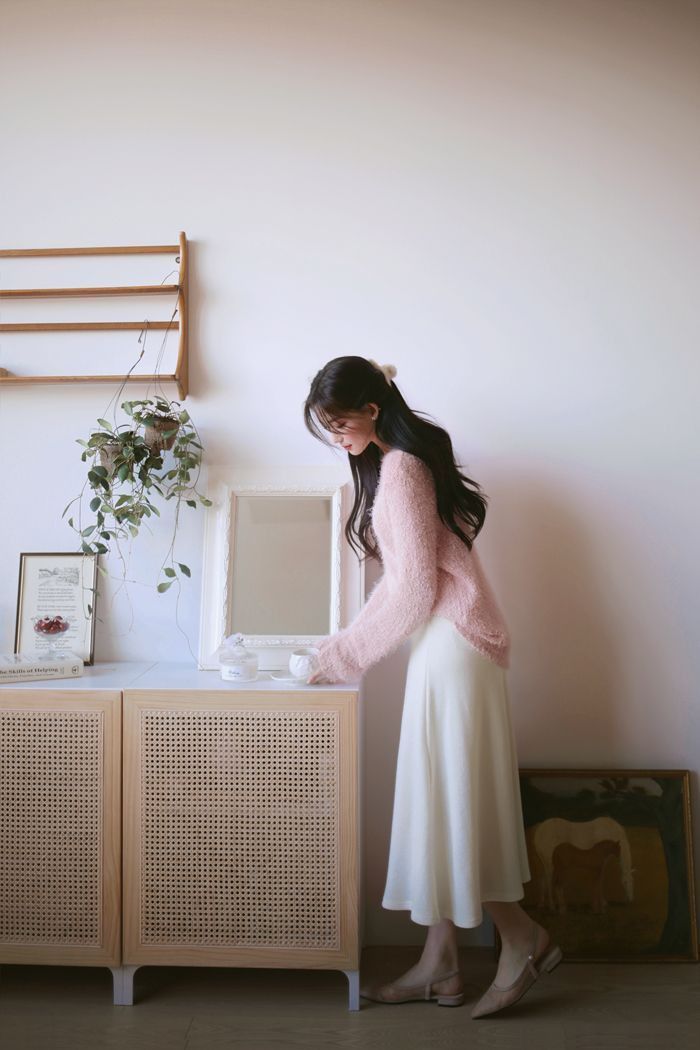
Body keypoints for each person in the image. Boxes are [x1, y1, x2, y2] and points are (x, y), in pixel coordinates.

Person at [303, 355, 562, 1018]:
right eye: (326, 426)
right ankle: (440, 965)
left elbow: (415, 590)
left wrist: (340, 656)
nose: (336, 435)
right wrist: (342, 646)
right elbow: (406, 585)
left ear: (370, 405)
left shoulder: (406, 469)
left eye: (339, 421)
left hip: (454, 647)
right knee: (441, 799)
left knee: (453, 801)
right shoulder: (400, 466)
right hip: (446, 647)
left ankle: (521, 936)